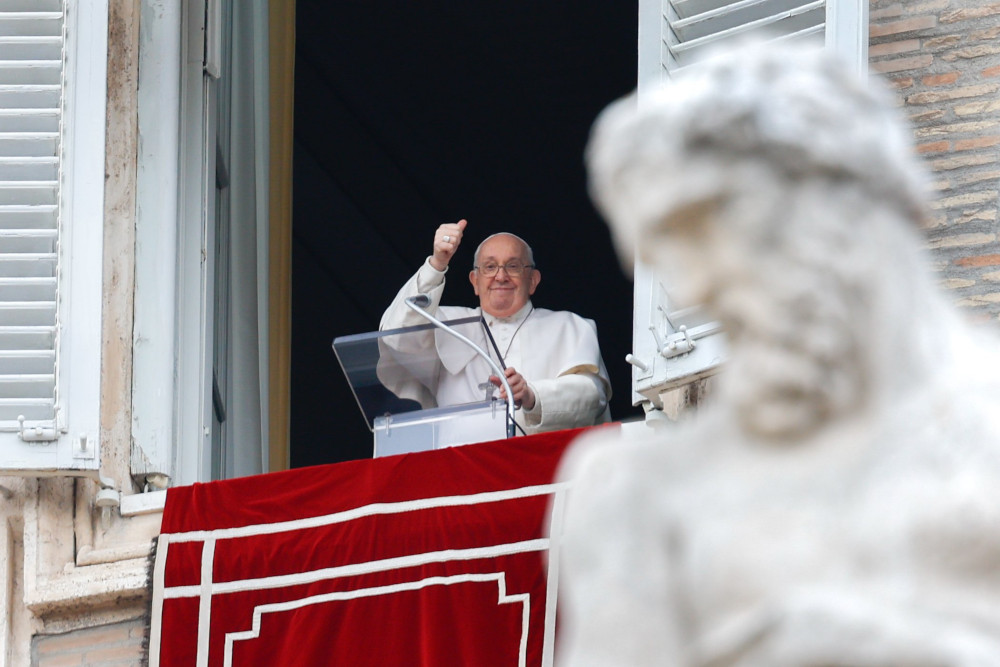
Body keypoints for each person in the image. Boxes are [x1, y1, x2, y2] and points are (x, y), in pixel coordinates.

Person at [380, 219, 611, 435]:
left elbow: (592, 395)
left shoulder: (569, 326)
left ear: (533, 280)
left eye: (513, 266)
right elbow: (394, 335)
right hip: (460, 468)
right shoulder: (446, 324)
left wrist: (533, 396)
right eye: (489, 267)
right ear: (474, 282)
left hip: (543, 468)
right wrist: (437, 264)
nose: (501, 276)